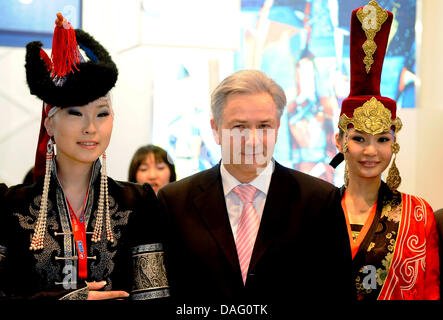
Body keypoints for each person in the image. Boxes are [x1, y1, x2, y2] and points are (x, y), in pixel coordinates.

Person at [0, 14, 169, 301]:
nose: (91, 127)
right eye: (75, 113)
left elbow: (155, 298)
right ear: (49, 123)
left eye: (102, 113)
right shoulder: (10, 206)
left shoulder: (138, 202)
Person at [157, 69, 354, 310]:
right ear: (215, 129)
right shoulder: (175, 202)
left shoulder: (320, 200)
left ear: (278, 127)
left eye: (264, 126)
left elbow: (337, 294)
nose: (253, 140)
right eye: (239, 127)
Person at [330, 1, 439, 300]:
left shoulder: (418, 214)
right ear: (339, 141)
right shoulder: (317, 211)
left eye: (382, 139)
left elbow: (430, 292)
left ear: (394, 142)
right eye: (359, 138)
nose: (371, 151)